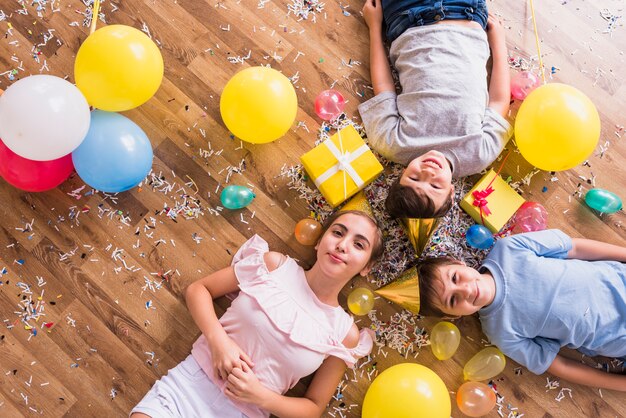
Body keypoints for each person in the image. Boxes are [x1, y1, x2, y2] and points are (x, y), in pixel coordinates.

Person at [130, 210, 384, 418]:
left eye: (358, 244)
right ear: (319, 241)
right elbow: (199, 290)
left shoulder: (344, 334)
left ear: (367, 267)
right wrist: (220, 343)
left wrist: (261, 397)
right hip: (187, 387)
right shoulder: (273, 266)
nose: (342, 245)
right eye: (337, 233)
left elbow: (314, 407)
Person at [416, 229, 626, 392]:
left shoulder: (509, 248)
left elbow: (575, 248)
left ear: (457, 262)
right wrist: (618, 384)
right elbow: (558, 365)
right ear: (452, 316)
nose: (466, 290)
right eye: (453, 300)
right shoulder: (500, 332)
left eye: (455, 277)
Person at [359, 0, 512, 219]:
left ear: (401, 175)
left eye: (414, 179)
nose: (428, 172)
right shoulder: (478, 155)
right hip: (464, 13)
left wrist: (374, 27)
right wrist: (499, 42)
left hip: (407, 17)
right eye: (435, 186)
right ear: (451, 193)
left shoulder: (393, 144)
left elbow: (383, 88)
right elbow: (498, 101)